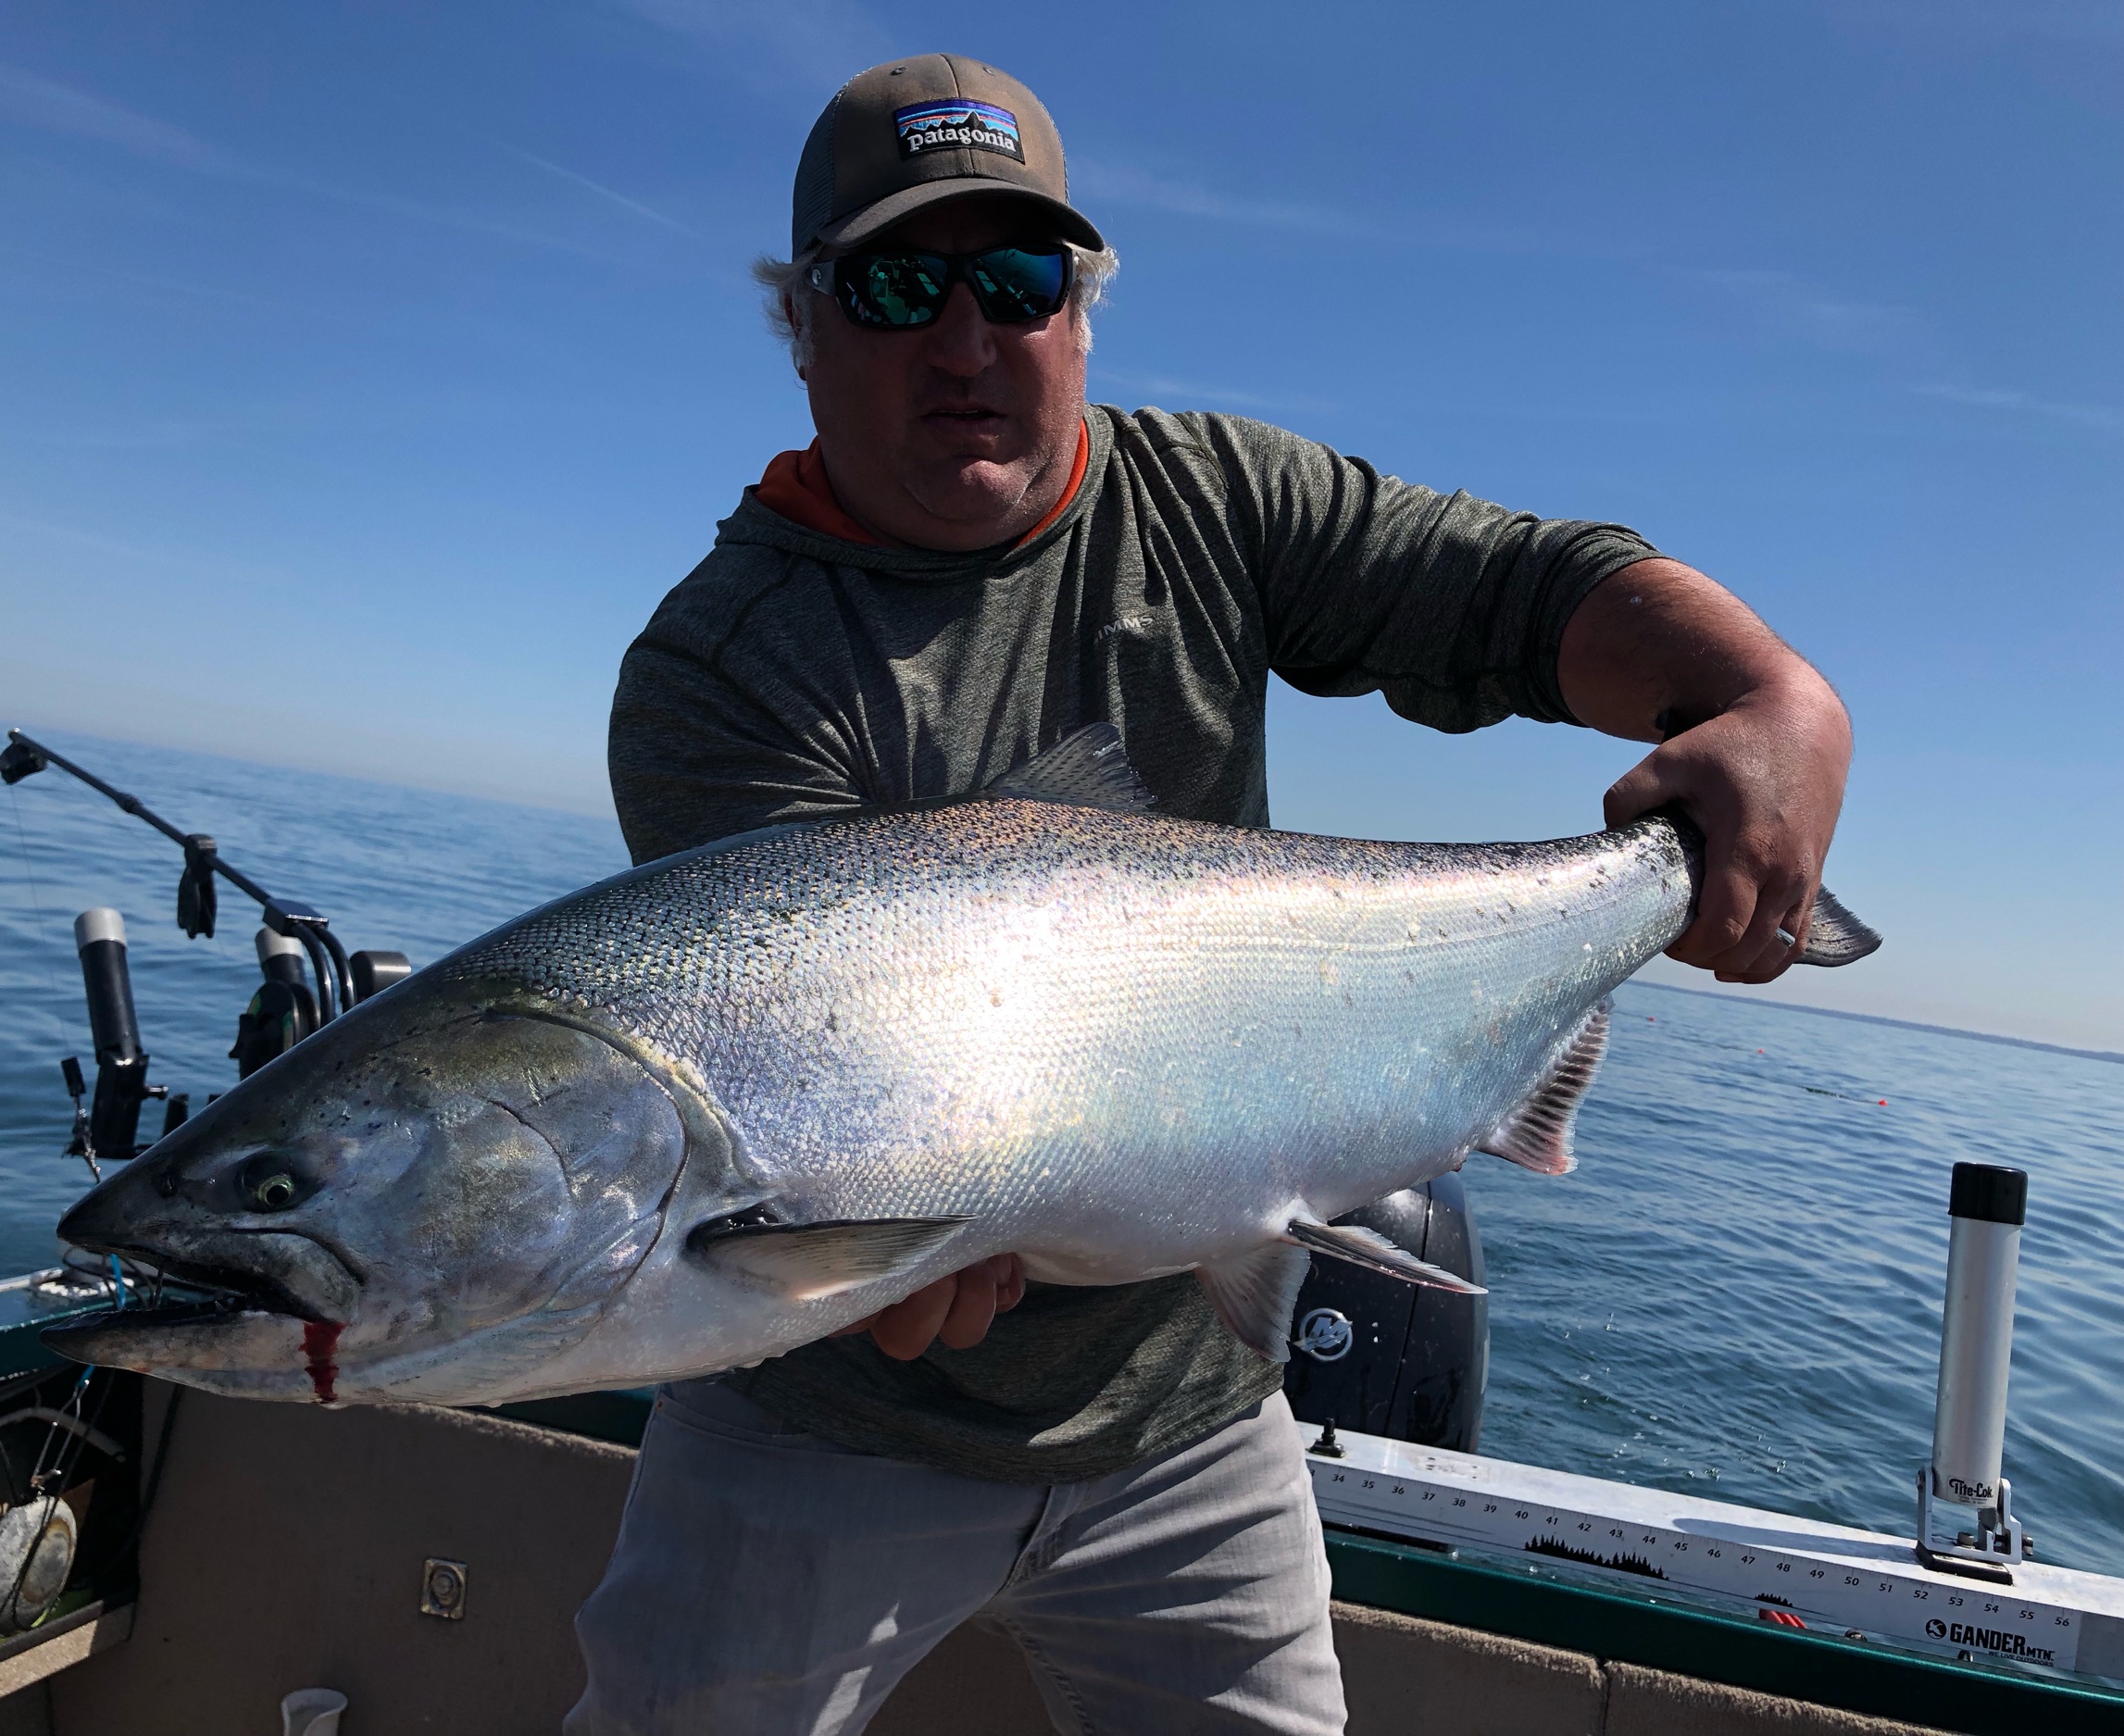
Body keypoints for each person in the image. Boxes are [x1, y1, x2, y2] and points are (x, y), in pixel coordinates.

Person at [568, 51, 1851, 1736]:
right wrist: (886, 1244)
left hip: (1192, 1412)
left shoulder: (1211, 502)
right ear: (799, 324)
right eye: (895, 283)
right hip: (819, 1426)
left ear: (1081, 311)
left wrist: (1772, 698)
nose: (966, 340)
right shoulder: (721, 670)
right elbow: (808, 1136)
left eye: (1019, 280)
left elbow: (1511, 592)